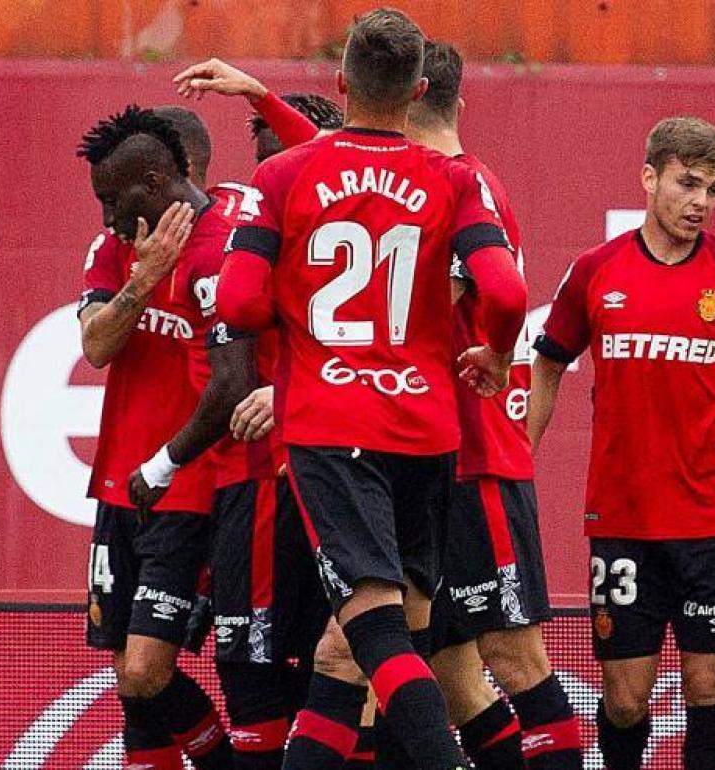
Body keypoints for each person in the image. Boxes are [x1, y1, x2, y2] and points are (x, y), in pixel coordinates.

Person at [179, 9, 528, 770]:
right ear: (420, 90)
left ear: (340, 85)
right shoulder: (453, 179)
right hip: (429, 429)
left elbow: (237, 304)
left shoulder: (282, 176)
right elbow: (504, 293)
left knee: (374, 631)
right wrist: (496, 356)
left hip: (333, 424)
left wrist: (301, 311)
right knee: (351, 650)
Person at [528, 116, 715, 770]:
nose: (701, 201)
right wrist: (516, 453)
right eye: (688, 183)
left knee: (708, 685)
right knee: (623, 699)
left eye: (714, 189)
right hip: (622, 517)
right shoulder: (594, 270)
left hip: (709, 515)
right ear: (650, 178)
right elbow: (549, 362)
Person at [410, 40, 582, 770]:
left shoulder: (461, 184)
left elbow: (435, 310)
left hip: (474, 455)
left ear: (406, 93)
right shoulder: (427, 179)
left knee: (514, 659)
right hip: (422, 457)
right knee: (450, 678)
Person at [77, 105, 232, 770]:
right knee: (131, 682)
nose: (107, 217)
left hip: (188, 487)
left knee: (145, 669)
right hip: (118, 484)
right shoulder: (113, 250)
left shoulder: (226, 244)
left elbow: (236, 375)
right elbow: (95, 347)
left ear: (156, 181)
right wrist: (141, 282)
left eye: (113, 199)